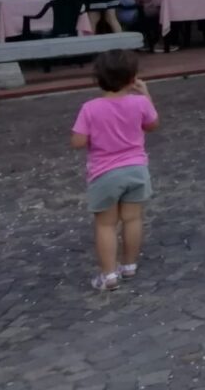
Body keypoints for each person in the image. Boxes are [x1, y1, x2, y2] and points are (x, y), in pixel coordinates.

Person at [70, 51, 159, 291]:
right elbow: (152, 125)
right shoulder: (139, 103)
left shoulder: (90, 108)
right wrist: (146, 94)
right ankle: (129, 265)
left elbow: (78, 142)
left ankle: (108, 274)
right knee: (132, 218)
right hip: (136, 169)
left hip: (104, 173)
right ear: (133, 79)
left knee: (106, 225)